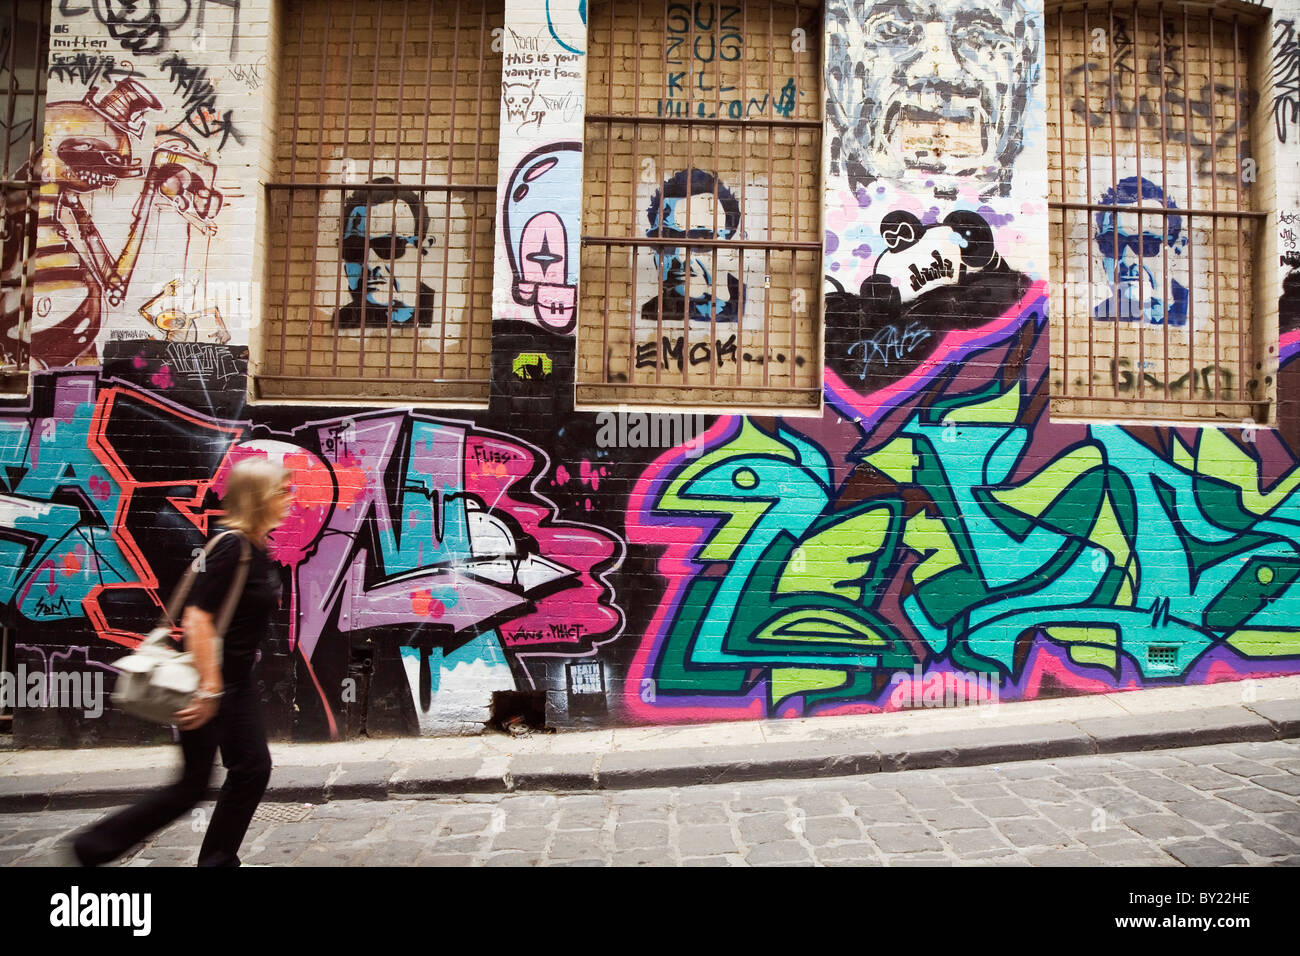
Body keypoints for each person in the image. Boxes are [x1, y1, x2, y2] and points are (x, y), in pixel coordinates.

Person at [70, 459, 292, 867]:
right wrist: (210, 690)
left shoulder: (255, 546)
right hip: (216, 685)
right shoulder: (232, 546)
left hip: (232, 683)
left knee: (214, 779)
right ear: (258, 497)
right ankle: (104, 847)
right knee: (239, 772)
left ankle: (100, 847)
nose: (289, 499)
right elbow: (198, 619)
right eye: (282, 491)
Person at [641, 168, 743, 324]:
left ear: (730, 250)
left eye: (700, 242)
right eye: (668, 241)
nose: (681, 257)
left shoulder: (745, 312)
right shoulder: (649, 312)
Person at [334, 177, 436, 329]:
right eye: (355, 250)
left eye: (387, 248)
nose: (371, 265)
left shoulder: (441, 318)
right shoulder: (344, 319)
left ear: (421, 249)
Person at [1093, 176, 1189, 326]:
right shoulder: (1092, 318)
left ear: (1176, 252)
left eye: (1147, 247)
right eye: (1112, 245)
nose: (1128, 261)